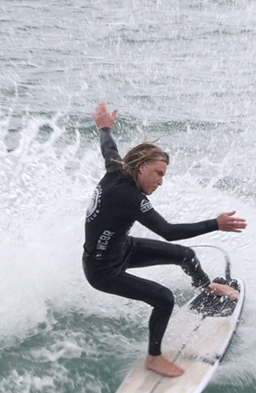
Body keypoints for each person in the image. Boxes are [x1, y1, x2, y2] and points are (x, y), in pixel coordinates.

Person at [83, 101, 245, 378]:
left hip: (122, 249)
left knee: (184, 255)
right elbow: (167, 231)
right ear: (142, 168)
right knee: (163, 298)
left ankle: (205, 286)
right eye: (158, 174)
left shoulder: (116, 169)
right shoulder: (129, 197)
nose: (160, 181)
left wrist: (105, 126)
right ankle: (154, 358)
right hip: (102, 271)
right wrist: (215, 224)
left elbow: (108, 147)